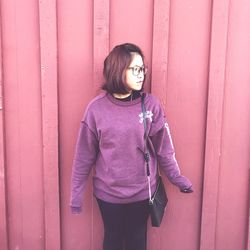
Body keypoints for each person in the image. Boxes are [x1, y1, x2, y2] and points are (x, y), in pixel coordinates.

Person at [70, 43, 193, 250]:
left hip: (142, 192)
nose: (141, 75)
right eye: (134, 69)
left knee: (137, 240)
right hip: (108, 194)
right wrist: (75, 196)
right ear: (118, 69)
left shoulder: (151, 105)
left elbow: (164, 148)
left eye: (142, 69)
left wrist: (177, 178)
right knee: (113, 239)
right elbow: (84, 156)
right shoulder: (96, 110)